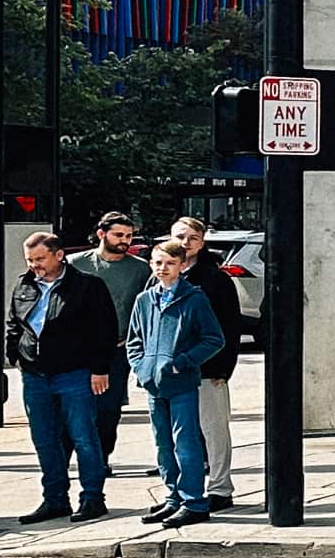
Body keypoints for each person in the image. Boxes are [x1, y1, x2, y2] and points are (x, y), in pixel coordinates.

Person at [6, 232, 114, 524]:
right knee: (44, 439)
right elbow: (14, 323)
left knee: (83, 436)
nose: (35, 266)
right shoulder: (24, 284)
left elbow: (104, 330)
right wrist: (15, 355)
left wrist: (99, 368)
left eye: (40, 259)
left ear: (59, 255)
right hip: (35, 375)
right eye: (30, 260)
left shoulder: (87, 286)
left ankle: (92, 497)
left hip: (75, 372)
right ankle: (55, 498)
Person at [124, 241, 221, 528]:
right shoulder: (145, 300)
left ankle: (193, 500)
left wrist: (182, 362)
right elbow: (134, 340)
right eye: (157, 263)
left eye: (168, 263)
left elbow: (213, 339)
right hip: (154, 383)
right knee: (162, 443)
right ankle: (173, 497)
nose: (162, 269)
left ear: (180, 266)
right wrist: (142, 368)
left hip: (181, 382)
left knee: (185, 442)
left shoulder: (194, 299)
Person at [169, 217, 240, 512]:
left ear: (202, 241)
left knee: (213, 429)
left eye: (192, 238)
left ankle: (220, 488)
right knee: (179, 434)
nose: (186, 243)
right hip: (171, 372)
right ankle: (183, 490)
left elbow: (229, 327)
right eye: (180, 237)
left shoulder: (215, 279)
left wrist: (223, 370)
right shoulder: (163, 275)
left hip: (208, 370)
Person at [67, 213, 148, 471]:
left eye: (129, 236)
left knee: (108, 408)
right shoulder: (75, 264)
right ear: (101, 234)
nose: (125, 241)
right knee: (74, 406)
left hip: (118, 349)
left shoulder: (140, 268)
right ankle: (73, 457)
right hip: (78, 350)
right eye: (119, 235)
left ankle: (101, 458)